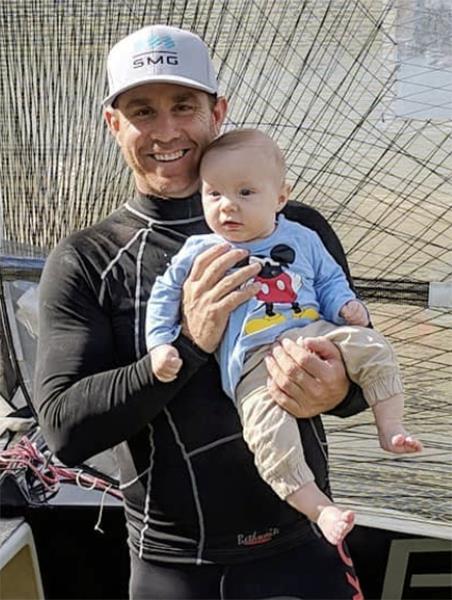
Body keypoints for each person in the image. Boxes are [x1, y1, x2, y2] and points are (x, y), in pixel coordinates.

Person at [34, 24, 368, 599]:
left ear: (218, 111)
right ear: (115, 124)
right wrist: (189, 343)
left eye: (184, 106)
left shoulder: (298, 228)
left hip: (301, 547)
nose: (166, 131)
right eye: (143, 111)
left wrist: (337, 386)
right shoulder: (88, 260)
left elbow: (361, 377)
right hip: (175, 568)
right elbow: (64, 430)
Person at [145, 127, 422, 546]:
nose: (227, 207)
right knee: (269, 435)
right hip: (252, 362)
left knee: (374, 346)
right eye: (214, 194)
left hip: (315, 335)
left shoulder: (303, 236)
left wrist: (348, 307)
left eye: (245, 193)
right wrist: (160, 344)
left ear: (280, 197)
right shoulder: (199, 249)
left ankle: (390, 427)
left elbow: (330, 281)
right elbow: (163, 295)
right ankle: (320, 508)